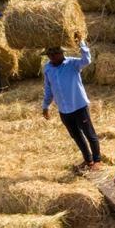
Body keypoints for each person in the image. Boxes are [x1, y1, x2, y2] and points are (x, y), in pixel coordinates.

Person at [41, 34, 101, 170]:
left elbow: (87, 60)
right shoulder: (48, 69)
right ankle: (88, 160)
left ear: (62, 53)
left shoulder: (72, 63)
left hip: (79, 106)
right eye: (50, 54)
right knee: (76, 136)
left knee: (89, 134)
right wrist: (45, 106)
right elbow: (48, 88)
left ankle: (97, 160)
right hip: (64, 110)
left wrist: (81, 43)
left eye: (56, 53)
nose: (53, 56)